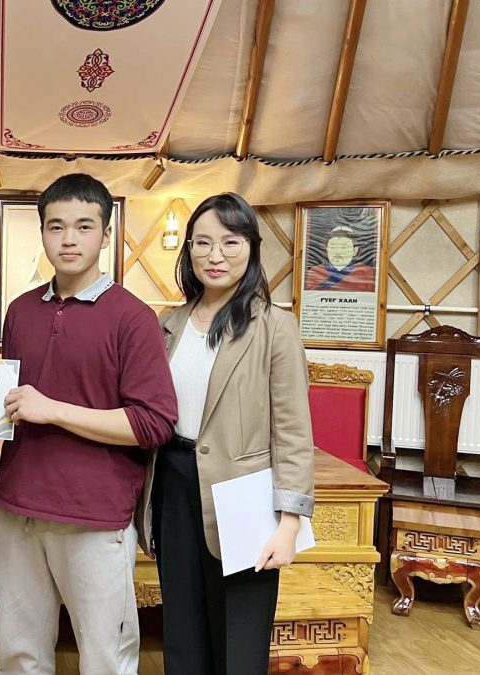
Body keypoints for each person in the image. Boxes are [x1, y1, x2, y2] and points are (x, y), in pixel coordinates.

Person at [0, 173, 178, 674]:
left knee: (105, 659)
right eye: (56, 226)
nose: (68, 239)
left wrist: (53, 409)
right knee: (19, 653)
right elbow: (10, 404)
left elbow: (154, 422)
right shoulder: (20, 311)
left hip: (94, 517)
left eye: (83, 226)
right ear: (42, 233)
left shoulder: (133, 317)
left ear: (106, 234)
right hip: (18, 508)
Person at [139, 192, 315, 675]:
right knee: (181, 629)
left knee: (240, 636)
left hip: (245, 498)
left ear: (251, 248)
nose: (215, 255)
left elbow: (293, 430)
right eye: (203, 243)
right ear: (188, 251)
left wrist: (289, 523)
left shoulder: (275, 326)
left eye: (230, 242)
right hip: (173, 485)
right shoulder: (168, 324)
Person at [303, 226, 375, 292]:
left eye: (343, 247)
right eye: (333, 247)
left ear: (355, 251)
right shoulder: (314, 273)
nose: (337, 252)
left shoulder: (367, 273)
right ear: (327, 250)